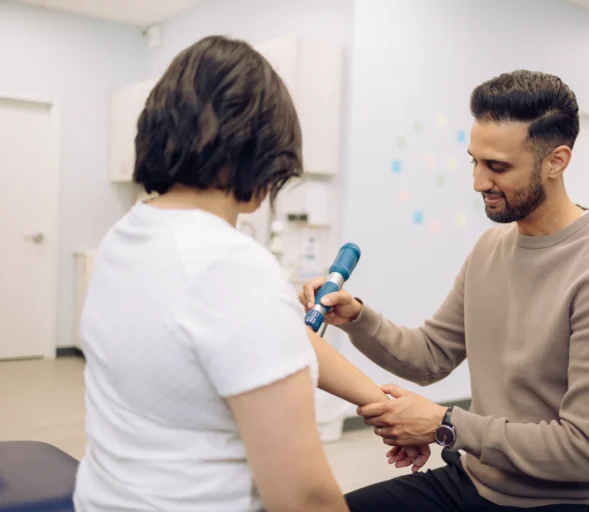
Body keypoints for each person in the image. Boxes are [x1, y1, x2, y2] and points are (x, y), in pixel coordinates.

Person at [73, 35, 428, 512]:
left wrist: (377, 401)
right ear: (261, 151)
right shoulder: (227, 265)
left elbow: (283, 340)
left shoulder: (128, 234)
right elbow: (304, 496)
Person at [299, 70, 589, 512]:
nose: (477, 182)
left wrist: (444, 425)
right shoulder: (492, 247)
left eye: (498, 167)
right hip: (475, 481)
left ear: (557, 161)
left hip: (572, 501)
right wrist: (356, 316)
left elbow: (586, 451)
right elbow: (430, 356)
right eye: (474, 160)